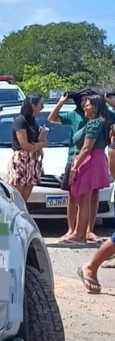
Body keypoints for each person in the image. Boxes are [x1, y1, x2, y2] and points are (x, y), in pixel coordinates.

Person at [75, 94, 115, 291]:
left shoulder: (98, 122)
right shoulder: (100, 125)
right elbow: (112, 155)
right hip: (91, 163)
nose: (85, 107)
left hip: (92, 162)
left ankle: (83, 234)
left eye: (89, 104)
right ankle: (90, 266)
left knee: (88, 198)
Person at [49, 92, 92, 243]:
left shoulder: (100, 115)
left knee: (89, 196)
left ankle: (87, 230)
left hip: (91, 159)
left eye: (88, 99)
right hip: (73, 157)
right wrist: (61, 102)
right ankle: (71, 229)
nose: (86, 103)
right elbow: (52, 119)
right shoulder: (74, 115)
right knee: (72, 196)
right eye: (83, 100)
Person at [10, 92, 46, 207]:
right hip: (21, 160)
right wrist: (40, 145)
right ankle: (3, 225)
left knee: (23, 202)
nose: (42, 108)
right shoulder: (20, 121)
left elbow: (34, 142)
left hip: (32, 161)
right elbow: (24, 145)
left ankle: (20, 223)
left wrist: (41, 140)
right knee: (15, 200)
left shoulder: (33, 122)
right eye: (41, 104)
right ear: (33, 106)